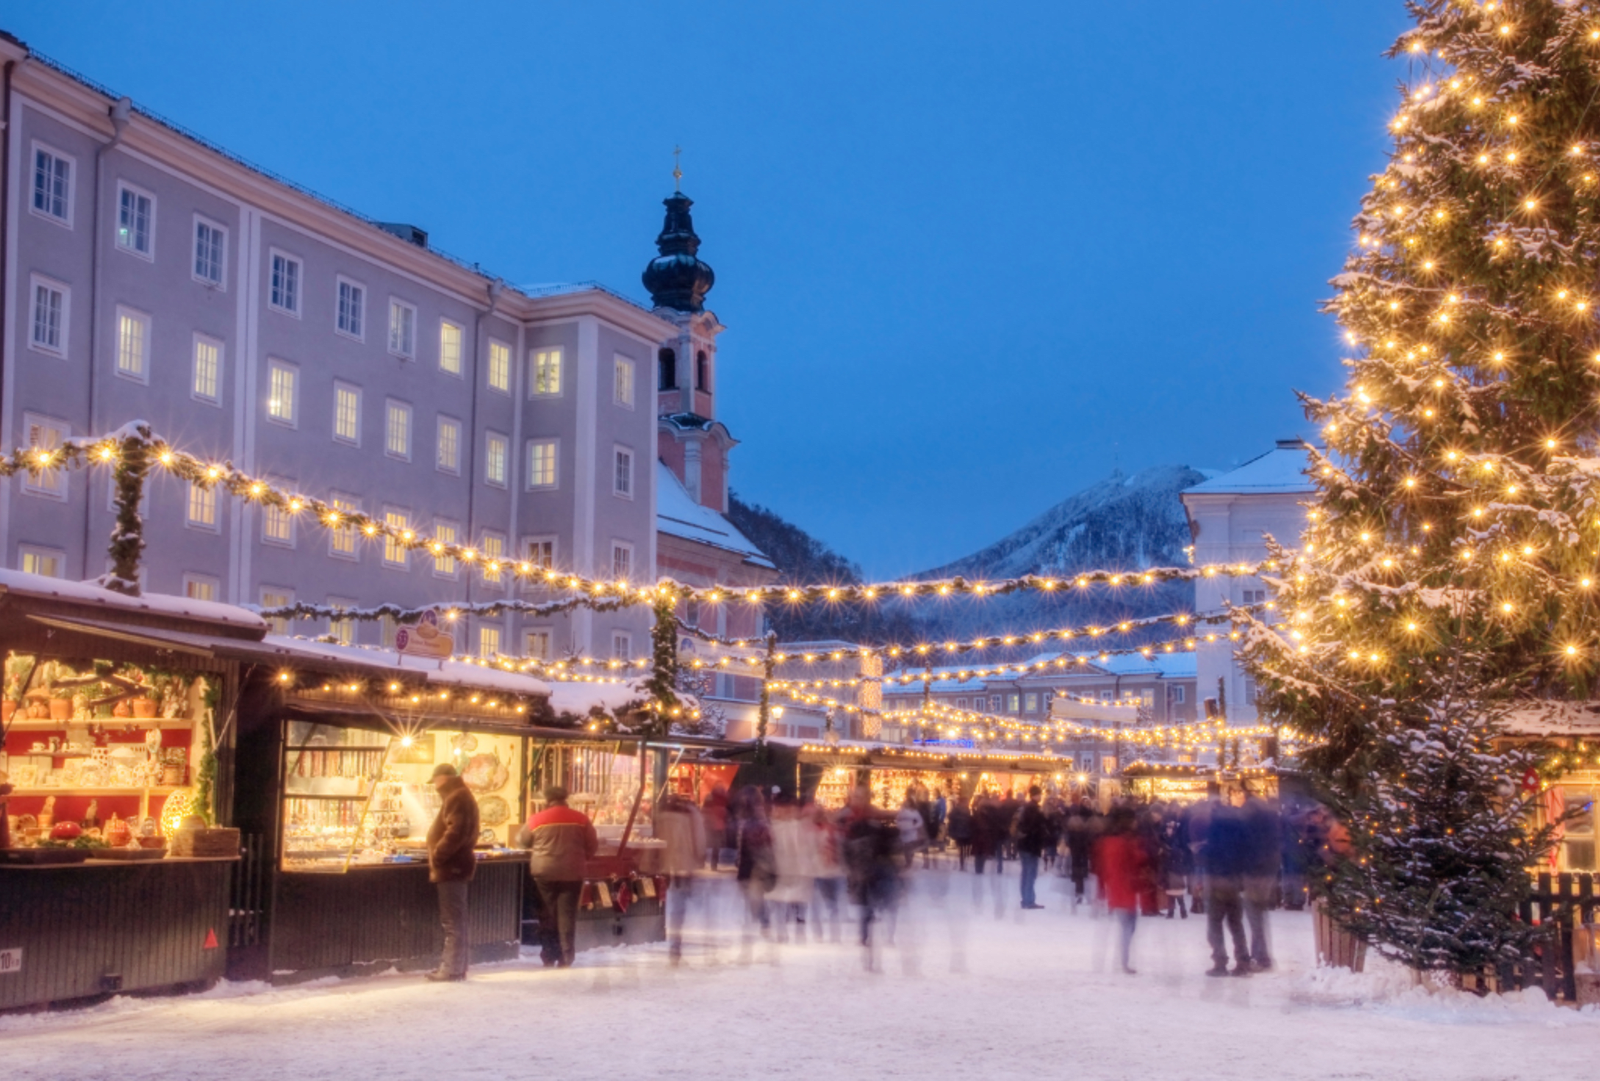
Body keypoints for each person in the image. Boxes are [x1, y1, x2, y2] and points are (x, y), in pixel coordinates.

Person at [521, 785, 599, 968]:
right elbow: (592, 845)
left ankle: (549, 955)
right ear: (566, 799)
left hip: (544, 873)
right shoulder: (581, 819)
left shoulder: (536, 819)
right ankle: (565, 956)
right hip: (572, 873)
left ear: (548, 800)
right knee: (567, 915)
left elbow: (523, 841)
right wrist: (580, 859)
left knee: (547, 914)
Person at [424, 762, 480, 982]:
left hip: (451, 866)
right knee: (456, 921)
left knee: (452, 922)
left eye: (436, 780)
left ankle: (451, 969)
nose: (435, 785)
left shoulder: (457, 797)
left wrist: (438, 855)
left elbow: (456, 831)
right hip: (455, 865)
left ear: (443, 778)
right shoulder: (460, 795)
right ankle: (456, 968)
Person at [1202, 793, 1252, 977]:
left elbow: (1212, 853)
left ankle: (1220, 962)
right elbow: (1246, 854)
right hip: (1235, 882)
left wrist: (1203, 852)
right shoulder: (1239, 829)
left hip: (1217, 881)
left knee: (1214, 924)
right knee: (1236, 923)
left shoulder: (1215, 828)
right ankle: (1243, 961)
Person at [1095, 806, 1148, 974]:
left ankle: (1121, 961)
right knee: (1128, 926)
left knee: (1126, 925)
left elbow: (1103, 866)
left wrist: (1102, 888)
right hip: (1126, 886)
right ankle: (1124, 962)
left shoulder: (1107, 841)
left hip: (1115, 886)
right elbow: (1134, 860)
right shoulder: (1126, 841)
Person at [655, 791, 706, 963]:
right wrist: (699, 857)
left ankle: (674, 945)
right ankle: (676, 946)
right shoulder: (691, 814)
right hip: (684, 864)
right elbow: (699, 838)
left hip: (667, 864)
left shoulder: (661, 814)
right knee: (680, 905)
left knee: (673, 903)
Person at [1241, 787, 1282, 970]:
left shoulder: (1252, 823)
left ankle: (1261, 957)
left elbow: (1248, 847)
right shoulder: (1271, 819)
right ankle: (1260, 954)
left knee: (1254, 914)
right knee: (1258, 914)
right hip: (1268, 870)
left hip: (1255, 872)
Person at [1014, 785, 1050, 910]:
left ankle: (1025, 899)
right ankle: (1028, 900)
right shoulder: (1034, 809)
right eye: (1039, 794)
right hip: (1031, 845)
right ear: (1035, 795)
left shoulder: (1026, 808)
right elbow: (1034, 828)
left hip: (1024, 844)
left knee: (1025, 873)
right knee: (1030, 873)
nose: (1040, 796)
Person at [945, 795, 974, 871]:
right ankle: (963, 863)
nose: (967, 803)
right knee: (963, 848)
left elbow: (950, 816)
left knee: (962, 848)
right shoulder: (963, 809)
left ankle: (963, 863)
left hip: (961, 831)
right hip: (963, 831)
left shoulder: (960, 809)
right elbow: (951, 817)